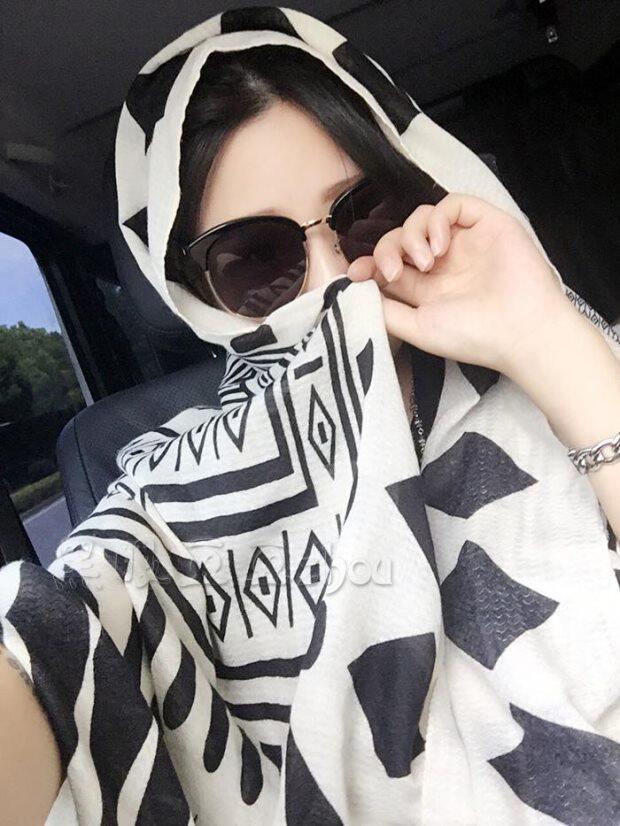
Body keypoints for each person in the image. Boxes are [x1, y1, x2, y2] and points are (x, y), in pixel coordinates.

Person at [1, 8, 619, 825]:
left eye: (367, 212)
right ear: (196, 294)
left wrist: (547, 342)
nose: (335, 283)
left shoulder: (575, 362)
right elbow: (63, 637)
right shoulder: (168, 490)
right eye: (257, 258)